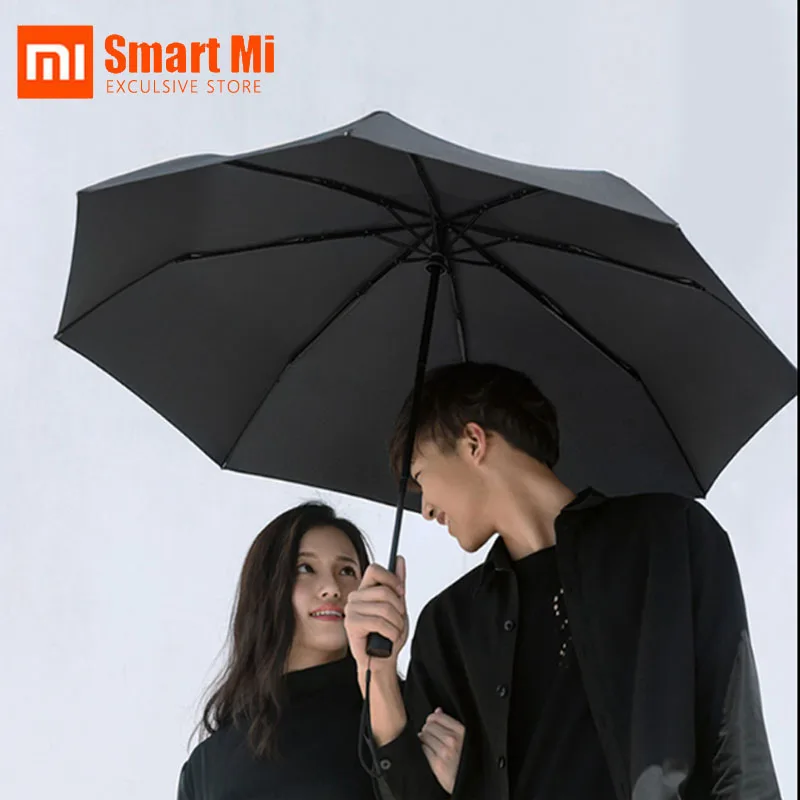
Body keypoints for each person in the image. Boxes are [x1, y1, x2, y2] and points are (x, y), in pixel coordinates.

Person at [344, 362, 782, 800]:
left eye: (421, 477)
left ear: (474, 442)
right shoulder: (449, 626)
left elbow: (735, 746)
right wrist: (377, 675)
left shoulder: (670, 539)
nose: (425, 509)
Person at [176, 501, 465, 800]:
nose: (332, 588)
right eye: (306, 568)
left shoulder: (416, 714)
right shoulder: (207, 767)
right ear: (266, 589)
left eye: (347, 571)